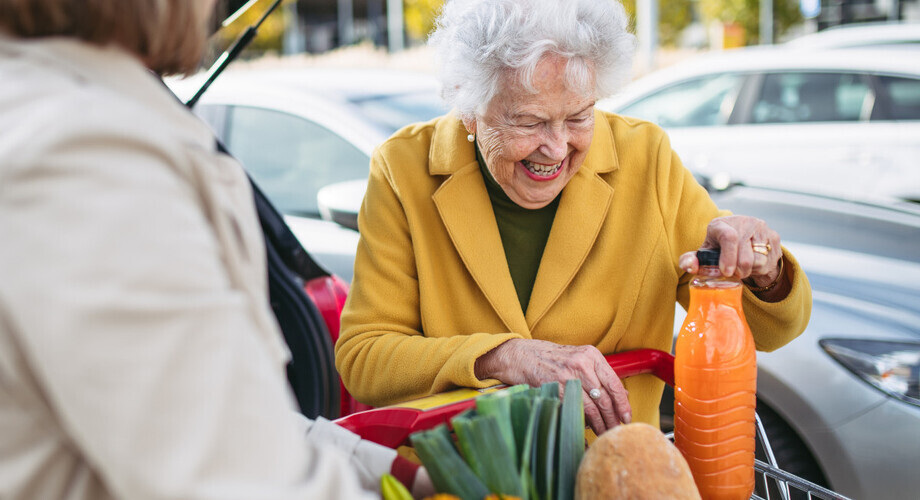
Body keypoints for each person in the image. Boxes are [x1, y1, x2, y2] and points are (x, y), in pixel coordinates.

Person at [0, 1, 430, 499]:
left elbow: (213, 423)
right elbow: (238, 480)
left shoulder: (51, 113)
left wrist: (402, 475)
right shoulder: (85, 154)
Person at [335, 0, 812, 436]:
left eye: (580, 116)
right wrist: (501, 357)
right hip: (459, 481)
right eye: (529, 121)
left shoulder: (646, 159)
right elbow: (364, 357)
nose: (557, 148)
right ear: (470, 109)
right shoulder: (403, 168)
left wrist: (764, 269)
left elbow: (768, 331)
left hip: (615, 474)